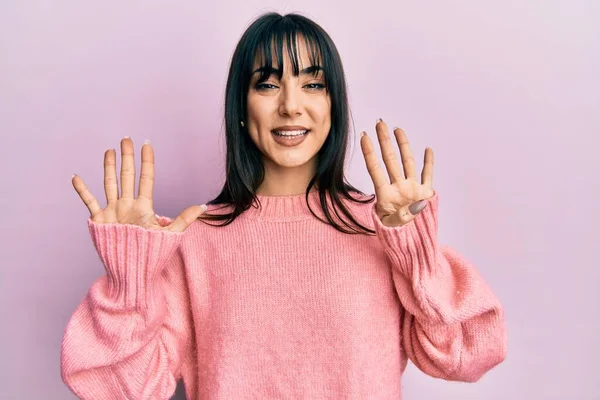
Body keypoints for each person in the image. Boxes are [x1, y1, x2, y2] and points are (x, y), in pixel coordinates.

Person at [60, 11, 507, 399]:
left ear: (334, 105)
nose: (291, 106)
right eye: (268, 84)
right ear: (242, 105)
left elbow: (468, 354)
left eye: (313, 83)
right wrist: (130, 276)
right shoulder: (194, 241)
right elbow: (122, 389)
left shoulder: (382, 229)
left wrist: (417, 254)